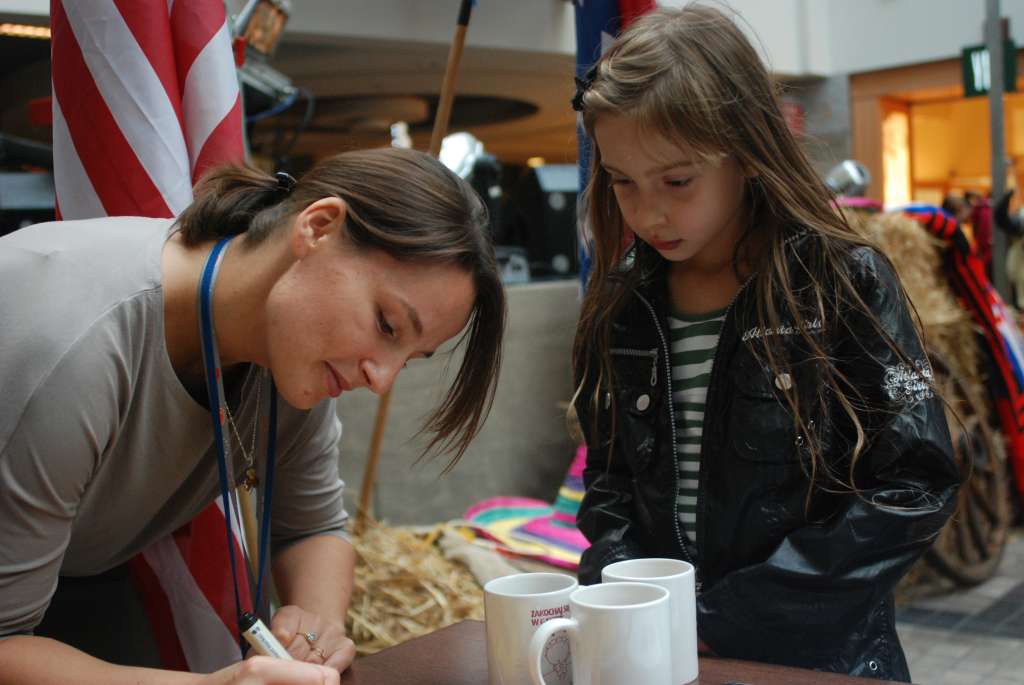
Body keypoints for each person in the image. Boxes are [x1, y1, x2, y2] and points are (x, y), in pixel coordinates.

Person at [0, 147, 505, 684]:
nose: (381, 379)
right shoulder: (77, 347)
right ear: (318, 226)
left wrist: (319, 628)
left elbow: (312, 526)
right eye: (386, 325)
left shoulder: (291, 350)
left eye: (409, 358)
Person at [569, 5, 959, 681]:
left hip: (821, 658)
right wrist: (623, 588)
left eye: (677, 180)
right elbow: (610, 480)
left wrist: (738, 616)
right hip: (664, 651)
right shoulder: (622, 302)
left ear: (747, 151)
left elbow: (914, 483)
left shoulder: (842, 280)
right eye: (622, 181)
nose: (647, 211)